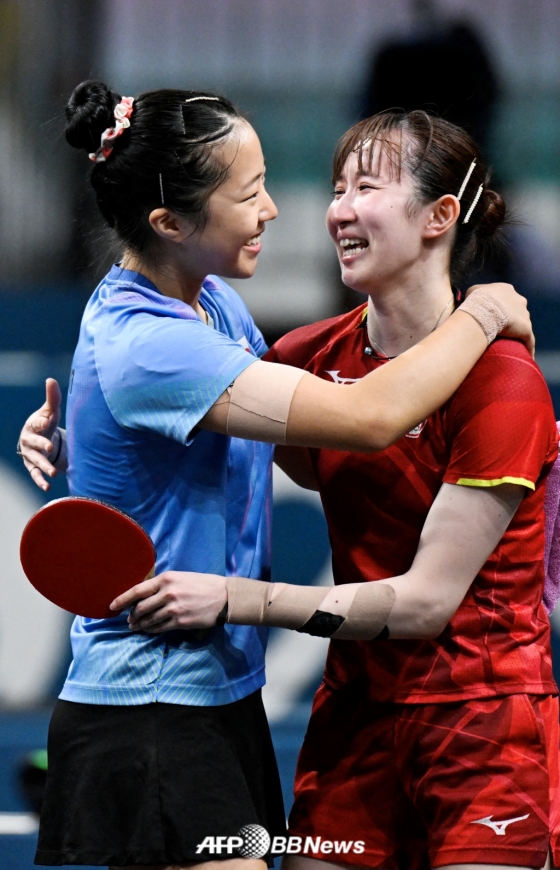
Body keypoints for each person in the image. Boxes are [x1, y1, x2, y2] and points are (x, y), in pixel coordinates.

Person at [18, 82, 533, 870]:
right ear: (171, 223)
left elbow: (292, 443)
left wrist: (86, 433)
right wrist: (485, 311)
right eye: (249, 193)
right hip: (154, 697)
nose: (275, 210)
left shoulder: (213, 305)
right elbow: (366, 419)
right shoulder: (154, 343)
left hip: (226, 693)